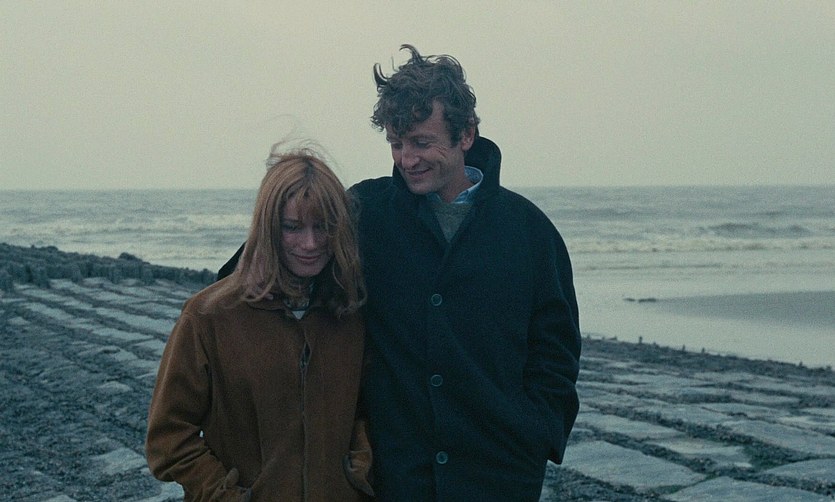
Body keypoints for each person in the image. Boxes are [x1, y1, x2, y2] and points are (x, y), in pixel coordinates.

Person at [220, 45, 581, 501]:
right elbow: (255, 268)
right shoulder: (364, 213)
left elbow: (556, 350)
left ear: (466, 134)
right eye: (396, 143)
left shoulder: (528, 231)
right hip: (393, 477)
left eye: (422, 143)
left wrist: (537, 434)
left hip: (499, 477)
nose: (407, 159)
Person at [147, 145, 374, 501]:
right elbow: (168, 436)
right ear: (267, 227)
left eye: (323, 226)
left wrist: (358, 471)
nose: (310, 243)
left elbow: (367, 410)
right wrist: (226, 495)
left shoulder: (349, 312)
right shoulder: (208, 316)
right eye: (293, 227)